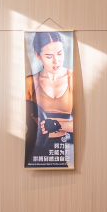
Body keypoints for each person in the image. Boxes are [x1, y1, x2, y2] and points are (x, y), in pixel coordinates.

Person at [25, 31, 73, 163]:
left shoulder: (72, 79)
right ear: (37, 55)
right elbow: (23, 121)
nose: (56, 61)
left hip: (60, 149)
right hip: (34, 149)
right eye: (49, 56)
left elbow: (80, 123)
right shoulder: (30, 82)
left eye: (59, 53)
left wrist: (57, 124)